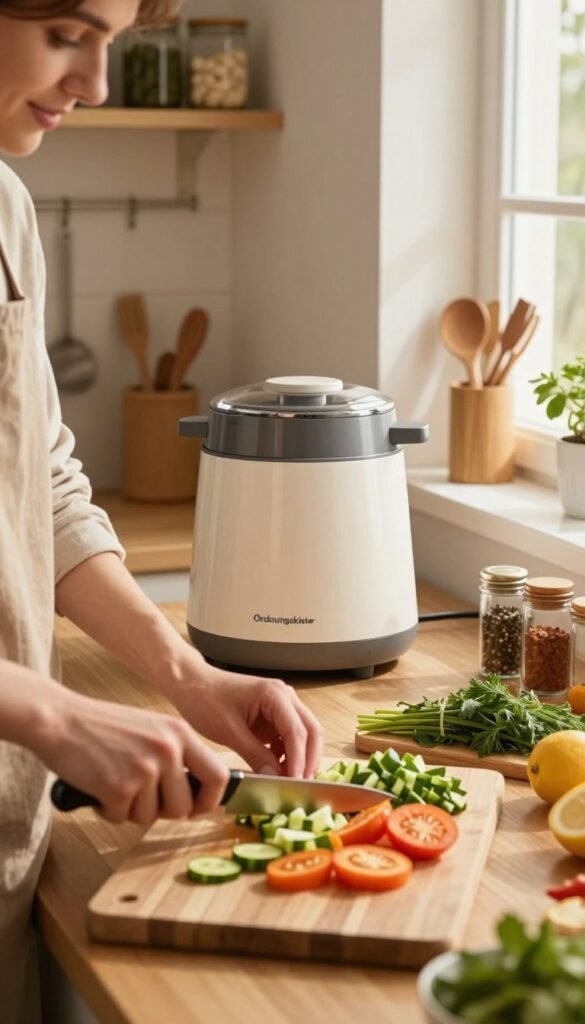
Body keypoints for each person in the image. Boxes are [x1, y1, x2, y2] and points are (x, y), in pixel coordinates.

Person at [0, 2, 324, 1020]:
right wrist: (50, 710)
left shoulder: (4, 207)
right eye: (64, 33)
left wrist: (187, 676)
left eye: (112, 43)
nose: (95, 86)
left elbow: (36, 483)